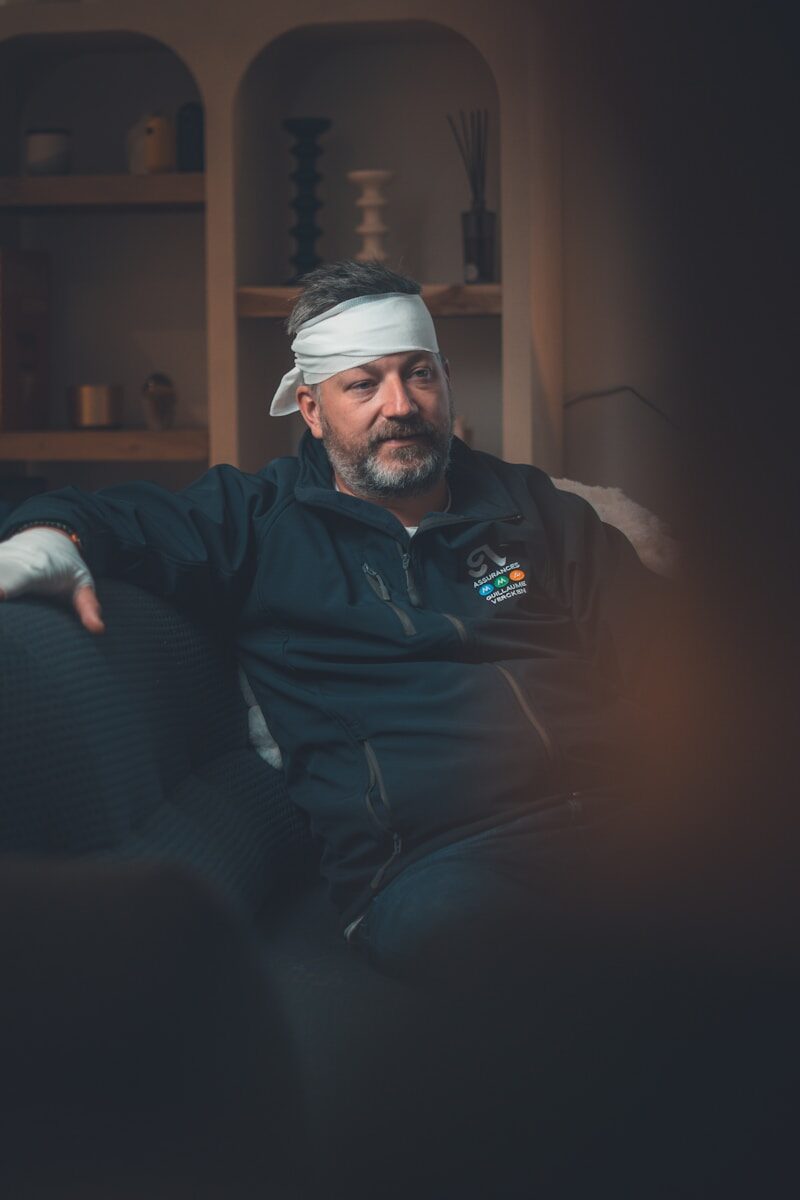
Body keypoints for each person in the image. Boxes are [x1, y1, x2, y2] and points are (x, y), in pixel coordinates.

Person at [0, 259, 663, 986]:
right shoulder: (256, 521)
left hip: (620, 820)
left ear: (445, 380)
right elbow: (111, 515)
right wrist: (47, 536)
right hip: (436, 865)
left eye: (419, 374)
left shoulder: (530, 506)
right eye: (363, 383)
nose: (400, 404)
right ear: (312, 410)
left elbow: (663, 656)